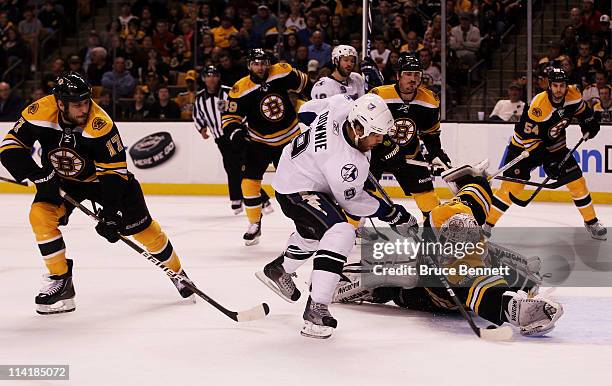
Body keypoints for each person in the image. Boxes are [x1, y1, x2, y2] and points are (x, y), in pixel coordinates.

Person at [0, 72, 195, 314]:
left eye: (86, 102)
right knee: (40, 215)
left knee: (142, 229)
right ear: (60, 103)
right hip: (61, 180)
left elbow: (113, 175)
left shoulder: (100, 125)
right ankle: (61, 281)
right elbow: (9, 148)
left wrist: (111, 215)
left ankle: (177, 273)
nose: (84, 109)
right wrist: (39, 175)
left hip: (103, 182)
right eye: (77, 105)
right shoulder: (39, 111)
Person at [332, 162, 564, 337]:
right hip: (427, 293)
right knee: (399, 281)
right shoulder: (415, 261)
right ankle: (515, 310)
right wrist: (340, 284)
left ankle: (518, 294)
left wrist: (524, 275)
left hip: (439, 276)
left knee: (509, 270)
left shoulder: (462, 227)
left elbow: (467, 221)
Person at [256, 93, 417, 339]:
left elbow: (308, 110)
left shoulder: (341, 105)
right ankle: (316, 308)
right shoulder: (344, 164)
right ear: (358, 127)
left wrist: (313, 135)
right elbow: (353, 203)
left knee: (311, 235)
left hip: (294, 172)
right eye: (375, 134)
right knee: (340, 232)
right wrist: (393, 214)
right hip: (296, 188)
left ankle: (279, 269)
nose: (380, 139)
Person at [484, 68, 606, 240]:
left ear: (566, 86)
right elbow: (528, 137)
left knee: (577, 182)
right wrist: (549, 162)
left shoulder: (573, 94)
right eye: (555, 85)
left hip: (555, 145)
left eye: (562, 86)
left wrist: (589, 122)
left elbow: (582, 111)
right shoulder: (539, 106)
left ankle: (591, 221)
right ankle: (487, 225)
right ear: (549, 86)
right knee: (513, 188)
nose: (558, 89)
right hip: (524, 147)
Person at [221, 49, 309, 246]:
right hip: (258, 142)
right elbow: (229, 117)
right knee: (248, 183)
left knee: (296, 186)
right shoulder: (240, 88)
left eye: (263, 63)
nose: (260, 67)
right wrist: (236, 133)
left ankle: (305, 224)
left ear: (268, 62)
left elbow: (305, 83)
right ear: (249, 65)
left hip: (290, 139)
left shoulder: (281, 71)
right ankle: (254, 223)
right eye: (255, 63)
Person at [369, 54, 450, 220]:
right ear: (398, 75)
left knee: (428, 197)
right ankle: (348, 232)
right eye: (408, 74)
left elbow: (430, 134)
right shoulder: (379, 95)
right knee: (360, 194)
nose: (413, 79)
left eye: (417, 75)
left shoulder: (429, 101)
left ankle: (433, 236)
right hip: (375, 155)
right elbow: (367, 127)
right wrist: (389, 148)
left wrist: (436, 153)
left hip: (409, 155)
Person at [193, 65, 272, 215]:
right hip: (220, 138)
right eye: (208, 75)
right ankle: (241, 198)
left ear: (218, 77)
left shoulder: (230, 91)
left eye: (214, 75)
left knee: (241, 165)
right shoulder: (199, 98)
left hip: (236, 132)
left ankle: (254, 199)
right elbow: (197, 115)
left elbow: (244, 106)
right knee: (232, 167)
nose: (211, 78)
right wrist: (202, 128)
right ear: (203, 78)